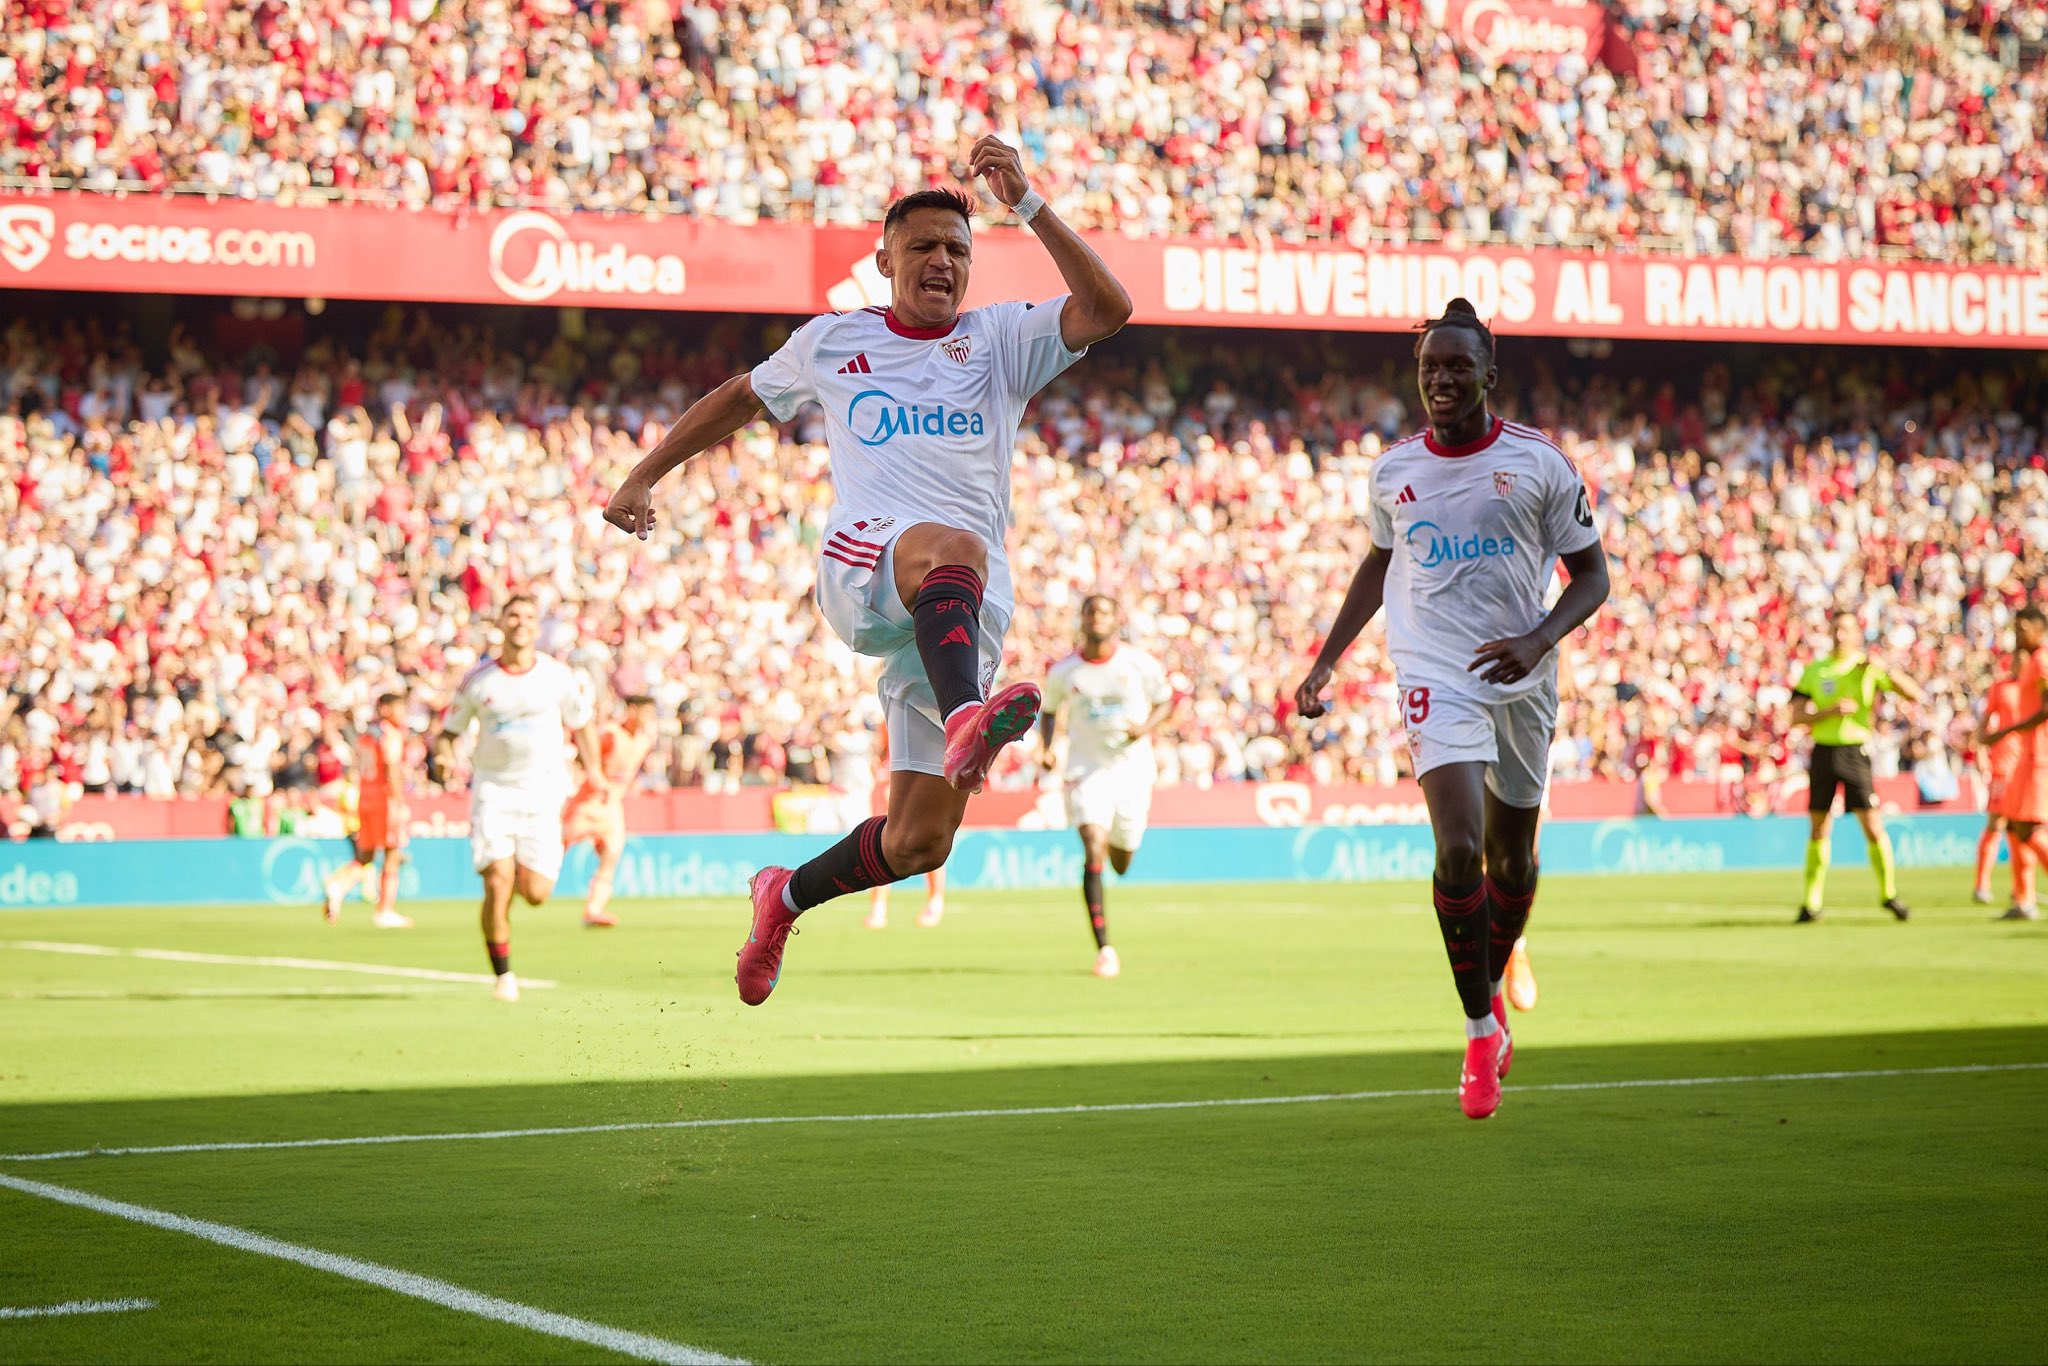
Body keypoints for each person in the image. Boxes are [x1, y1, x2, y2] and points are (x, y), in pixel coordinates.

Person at [605, 137, 1132, 1006]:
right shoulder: (834, 341)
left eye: (958, 250)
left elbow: (1109, 307)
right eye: (923, 246)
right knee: (955, 545)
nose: (942, 261)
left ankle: (784, 897)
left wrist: (1028, 204)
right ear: (885, 258)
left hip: (960, 612)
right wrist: (643, 474)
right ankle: (968, 716)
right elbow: (738, 398)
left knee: (921, 842)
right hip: (868, 562)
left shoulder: (1001, 339)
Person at [1293, 298, 1610, 1121]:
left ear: (1488, 376)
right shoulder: (1395, 470)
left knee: (1514, 864)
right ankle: (1478, 1031)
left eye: (1457, 366)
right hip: (1436, 669)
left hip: (1524, 673)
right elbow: (1377, 564)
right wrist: (1327, 660)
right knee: (1460, 850)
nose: (1441, 379)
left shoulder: (1541, 463)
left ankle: (1494, 988)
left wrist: (1540, 642)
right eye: (1431, 366)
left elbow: (1595, 578)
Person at [434, 595, 608, 1002]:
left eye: (530, 616)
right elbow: (448, 734)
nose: (521, 622)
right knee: (498, 882)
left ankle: (514, 876)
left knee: (535, 893)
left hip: (543, 792)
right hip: (493, 791)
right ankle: (504, 976)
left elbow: (581, 726)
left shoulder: (557, 675)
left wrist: (595, 771)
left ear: (536, 625)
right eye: (514, 615)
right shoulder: (479, 680)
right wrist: (442, 760)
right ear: (501, 622)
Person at [1039, 594, 1173, 978]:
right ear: (1081, 620)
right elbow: (1049, 711)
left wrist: (1145, 728)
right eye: (1090, 611)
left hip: (1132, 770)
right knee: (1092, 842)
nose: (1097, 617)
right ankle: (1105, 950)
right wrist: (1048, 749)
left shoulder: (1138, 663)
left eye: (1104, 612)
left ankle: (1119, 848)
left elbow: (1165, 702)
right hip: (1087, 767)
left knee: (1121, 859)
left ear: (1117, 620)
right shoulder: (1064, 671)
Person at [1790, 608, 1924, 923]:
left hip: (1855, 752)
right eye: (1835, 629)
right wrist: (1829, 711)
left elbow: (1915, 694)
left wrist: (1885, 667)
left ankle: (1889, 894)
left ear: (1856, 634)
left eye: (1846, 629)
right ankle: (1812, 902)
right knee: (1819, 828)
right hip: (1823, 751)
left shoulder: (1867, 667)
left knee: (1873, 826)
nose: (1840, 635)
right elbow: (1796, 716)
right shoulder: (1817, 669)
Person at [561, 693, 660, 928]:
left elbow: (627, 770)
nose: (651, 719)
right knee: (556, 848)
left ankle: (594, 910)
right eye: (647, 713)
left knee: (611, 855)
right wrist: (594, 778)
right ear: (632, 710)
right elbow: (584, 757)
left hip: (612, 808)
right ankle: (518, 884)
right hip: (587, 803)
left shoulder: (644, 741)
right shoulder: (610, 733)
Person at [321, 691, 415, 929]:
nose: (403, 713)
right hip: (385, 801)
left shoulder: (366, 736)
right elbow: (391, 768)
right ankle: (385, 910)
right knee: (392, 853)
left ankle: (337, 886)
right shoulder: (389, 735)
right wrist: (400, 803)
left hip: (365, 798)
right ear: (385, 709)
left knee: (366, 856)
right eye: (399, 708)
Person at [1982, 606, 2048, 922]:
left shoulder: (2043, 660)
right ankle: (2024, 902)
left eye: (2023, 628)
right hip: (2028, 754)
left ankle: (2025, 901)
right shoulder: (2031, 664)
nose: (2018, 633)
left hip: (2040, 754)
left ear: (2039, 628)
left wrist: (2008, 730)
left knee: (2031, 826)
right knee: (2019, 826)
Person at [863, 716, 947, 930]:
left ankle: (935, 900)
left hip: (923, 775)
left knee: (928, 836)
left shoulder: (930, 713)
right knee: (886, 839)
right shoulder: (889, 717)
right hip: (895, 778)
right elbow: (882, 751)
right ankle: (879, 905)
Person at [1975, 665, 2032, 913]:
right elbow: (1985, 721)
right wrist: (1980, 750)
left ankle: (2021, 890)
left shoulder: (2036, 686)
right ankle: (1982, 884)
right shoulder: (2001, 687)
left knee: (2022, 827)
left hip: (2029, 763)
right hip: (2003, 763)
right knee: (1997, 823)